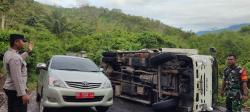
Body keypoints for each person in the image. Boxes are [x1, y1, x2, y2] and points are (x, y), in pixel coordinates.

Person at [3, 34, 33, 112]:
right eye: (22, 41)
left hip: (11, 89)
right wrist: (23, 94)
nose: (24, 43)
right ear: (16, 42)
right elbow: (17, 77)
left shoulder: (9, 53)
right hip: (16, 91)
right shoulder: (14, 57)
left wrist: (28, 51)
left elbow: (19, 59)